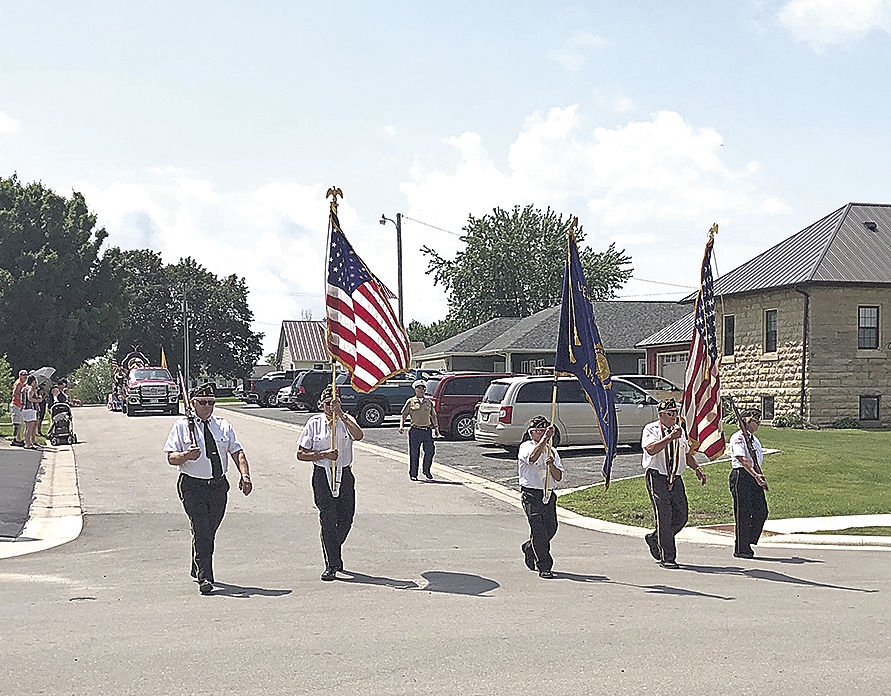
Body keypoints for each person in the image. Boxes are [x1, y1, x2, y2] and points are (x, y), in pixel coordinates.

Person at [164, 383, 253, 595]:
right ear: (193, 403)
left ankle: (198, 564)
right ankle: (206, 577)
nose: (207, 406)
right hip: (192, 485)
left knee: (208, 531)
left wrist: (245, 475)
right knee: (202, 530)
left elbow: (237, 452)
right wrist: (186, 456)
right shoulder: (182, 426)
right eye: (202, 402)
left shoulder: (223, 425)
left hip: (218, 487)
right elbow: (170, 457)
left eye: (211, 402)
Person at [297, 385, 364, 581]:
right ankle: (332, 564)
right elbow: (301, 454)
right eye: (327, 404)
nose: (330, 407)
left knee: (346, 517)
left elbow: (359, 435)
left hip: (344, 473)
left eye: (334, 403)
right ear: (321, 405)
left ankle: (333, 547)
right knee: (327, 518)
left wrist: (341, 414)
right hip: (322, 474)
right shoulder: (314, 423)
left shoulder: (346, 420)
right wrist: (323, 455)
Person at [641, 398, 707, 569]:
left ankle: (656, 538)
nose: (674, 417)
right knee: (664, 515)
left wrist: (697, 468)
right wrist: (670, 437)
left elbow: (685, 453)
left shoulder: (680, 431)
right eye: (670, 414)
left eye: (675, 413)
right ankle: (667, 557)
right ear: (661, 415)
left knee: (681, 515)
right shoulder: (651, 429)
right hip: (657, 475)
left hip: (676, 477)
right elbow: (651, 449)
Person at [519, 416, 564, 579]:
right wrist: (545, 439)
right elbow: (532, 458)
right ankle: (544, 565)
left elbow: (558, 477)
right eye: (537, 431)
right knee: (538, 529)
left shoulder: (552, 451)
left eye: (543, 430)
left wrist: (551, 464)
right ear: (531, 433)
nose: (539, 433)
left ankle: (530, 548)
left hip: (548, 494)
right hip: (531, 494)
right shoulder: (526, 446)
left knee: (550, 528)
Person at [729, 408, 769, 559]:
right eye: (755, 420)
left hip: (754, 476)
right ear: (746, 421)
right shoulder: (738, 437)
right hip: (742, 476)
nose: (758, 423)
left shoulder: (754, 440)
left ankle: (749, 539)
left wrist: (757, 476)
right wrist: (755, 474)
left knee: (761, 511)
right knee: (743, 512)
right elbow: (742, 459)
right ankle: (741, 547)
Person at [398, 379, 439, 481]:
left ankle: (426, 470)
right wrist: (401, 426)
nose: (421, 390)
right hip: (415, 430)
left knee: (430, 451)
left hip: (427, 430)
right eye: (419, 388)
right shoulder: (411, 402)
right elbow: (404, 415)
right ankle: (413, 474)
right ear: (415, 390)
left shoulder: (428, 402)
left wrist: (436, 428)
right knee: (414, 453)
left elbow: (433, 415)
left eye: (423, 389)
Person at [21, 375, 43, 449]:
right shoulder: (30, 388)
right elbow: (29, 398)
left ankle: (27, 442)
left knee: (27, 427)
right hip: (30, 409)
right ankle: (28, 444)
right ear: (33, 381)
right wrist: (38, 400)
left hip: (24, 409)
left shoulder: (24, 388)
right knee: (30, 427)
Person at [9, 370, 27, 447]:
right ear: (20, 375)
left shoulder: (23, 383)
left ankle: (18, 438)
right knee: (17, 423)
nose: (25, 376)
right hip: (16, 404)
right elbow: (15, 393)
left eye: (26, 375)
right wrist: (22, 399)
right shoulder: (19, 383)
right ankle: (16, 439)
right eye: (23, 375)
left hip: (19, 405)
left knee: (20, 423)